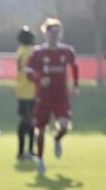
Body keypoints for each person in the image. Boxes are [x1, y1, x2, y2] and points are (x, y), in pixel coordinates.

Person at [25, 18, 79, 176]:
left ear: (60, 34)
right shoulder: (38, 52)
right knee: (40, 130)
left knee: (64, 125)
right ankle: (41, 161)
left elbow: (75, 67)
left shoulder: (67, 51)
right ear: (45, 33)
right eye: (51, 32)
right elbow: (28, 73)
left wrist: (75, 86)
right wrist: (39, 79)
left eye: (57, 32)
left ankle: (57, 138)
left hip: (61, 97)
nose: (54, 35)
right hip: (43, 98)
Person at [14, 26, 37, 161]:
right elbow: (31, 72)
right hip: (30, 90)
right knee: (28, 122)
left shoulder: (21, 50)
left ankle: (26, 151)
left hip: (22, 89)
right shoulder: (30, 52)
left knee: (26, 121)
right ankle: (25, 151)